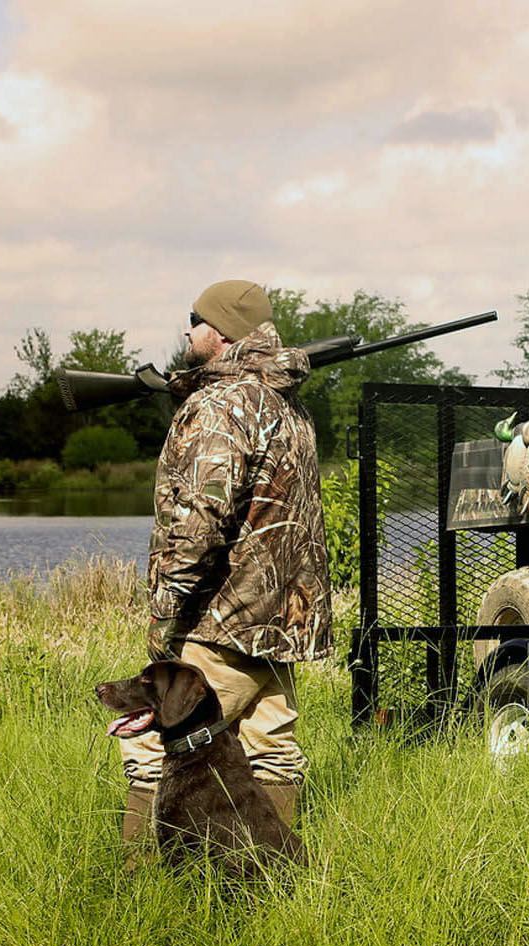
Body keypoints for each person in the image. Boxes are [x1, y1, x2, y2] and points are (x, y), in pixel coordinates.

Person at [116, 279, 332, 847]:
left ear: (219, 333)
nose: (187, 330)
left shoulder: (220, 405)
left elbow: (198, 522)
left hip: (222, 617)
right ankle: (276, 878)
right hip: (283, 616)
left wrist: (164, 620)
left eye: (194, 319)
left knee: (149, 742)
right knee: (272, 751)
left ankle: (142, 887)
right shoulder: (287, 403)